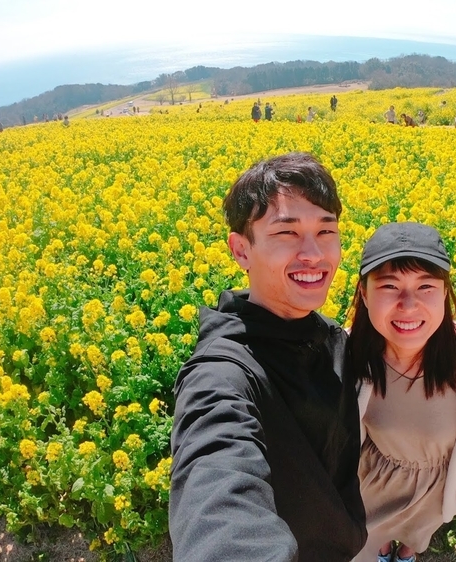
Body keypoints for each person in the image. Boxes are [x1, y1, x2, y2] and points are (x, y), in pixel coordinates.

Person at [169, 152, 367, 562]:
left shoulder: (329, 336)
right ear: (241, 251)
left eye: (326, 230)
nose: (314, 253)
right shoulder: (222, 374)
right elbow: (217, 481)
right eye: (286, 233)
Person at [346, 222, 456, 562]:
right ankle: (382, 550)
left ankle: (406, 552)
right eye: (390, 286)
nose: (409, 305)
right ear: (364, 292)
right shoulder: (345, 355)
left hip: (438, 490)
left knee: (417, 538)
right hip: (372, 491)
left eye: (426, 286)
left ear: (445, 291)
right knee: (368, 546)